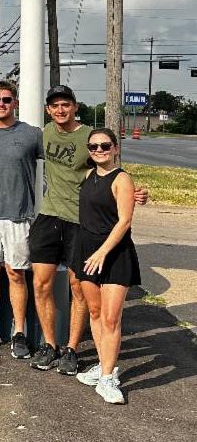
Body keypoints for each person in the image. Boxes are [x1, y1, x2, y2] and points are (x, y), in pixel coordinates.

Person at [0, 81, 43, 359]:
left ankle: (19, 331)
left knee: (16, 273)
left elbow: (63, 163)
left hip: (18, 214)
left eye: (6, 99)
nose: (1, 104)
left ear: (15, 102)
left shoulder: (31, 134)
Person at [28, 85, 93, 374]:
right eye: (55, 105)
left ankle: (72, 349)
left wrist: (131, 190)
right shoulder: (45, 133)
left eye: (65, 104)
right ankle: (50, 345)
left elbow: (108, 169)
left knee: (78, 287)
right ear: (48, 110)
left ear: (75, 107)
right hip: (49, 215)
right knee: (41, 284)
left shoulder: (89, 136)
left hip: (80, 220)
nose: (60, 110)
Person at [73, 129, 140, 405]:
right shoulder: (89, 175)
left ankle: (108, 378)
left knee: (112, 318)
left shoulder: (122, 179)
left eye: (104, 145)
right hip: (87, 251)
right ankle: (103, 366)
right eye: (93, 146)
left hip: (114, 254)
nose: (99, 150)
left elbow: (124, 221)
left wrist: (103, 252)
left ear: (115, 148)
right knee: (96, 311)